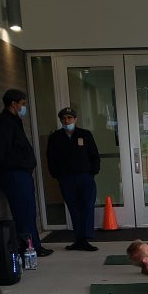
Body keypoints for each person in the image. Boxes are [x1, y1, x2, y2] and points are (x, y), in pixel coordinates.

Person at [0, 88, 51, 256]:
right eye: (22, 104)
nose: (24, 108)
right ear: (13, 104)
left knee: (29, 212)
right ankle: (28, 248)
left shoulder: (14, 121)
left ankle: (34, 246)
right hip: (15, 174)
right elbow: (2, 153)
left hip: (22, 173)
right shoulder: (4, 124)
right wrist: (21, 163)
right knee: (23, 213)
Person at [46, 106, 100, 252]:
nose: (66, 120)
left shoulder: (85, 134)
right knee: (74, 208)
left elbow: (94, 155)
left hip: (85, 177)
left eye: (69, 118)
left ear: (75, 119)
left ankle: (86, 237)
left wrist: (92, 172)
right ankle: (78, 239)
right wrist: (57, 175)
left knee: (87, 206)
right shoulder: (55, 137)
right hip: (66, 178)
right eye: (63, 118)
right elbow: (51, 158)